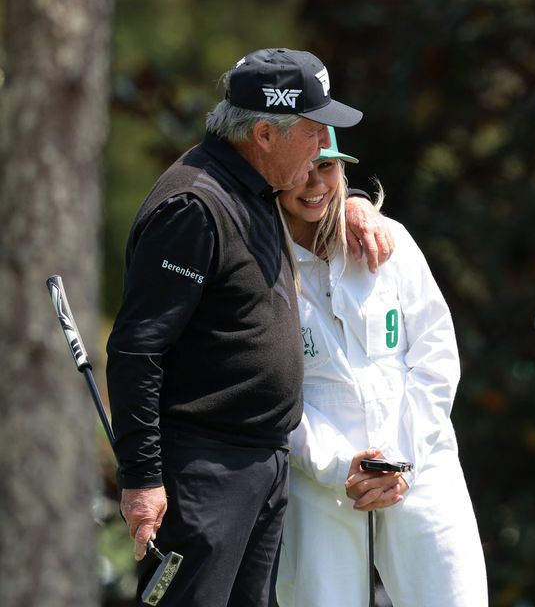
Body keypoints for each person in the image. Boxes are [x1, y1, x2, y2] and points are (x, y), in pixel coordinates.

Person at [106, 48, 394, 606]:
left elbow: (320, 204)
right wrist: (142, 479)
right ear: (264, 133)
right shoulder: (195, 205)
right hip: (203, 473)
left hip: (260, 466)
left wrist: (357, 203)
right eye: (313, 131)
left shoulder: (253, 186)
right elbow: (138, 350)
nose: (321, 150)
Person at [274, 127, 489, 607]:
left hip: (420, 462)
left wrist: (401, 459)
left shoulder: (388, 240)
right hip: (319, 482)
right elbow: (271, 388)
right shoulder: (259, 261)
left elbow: (436, 353)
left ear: (343, 169)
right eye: (303, 168)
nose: (315, 183)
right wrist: (336, 468)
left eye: (326, 166)